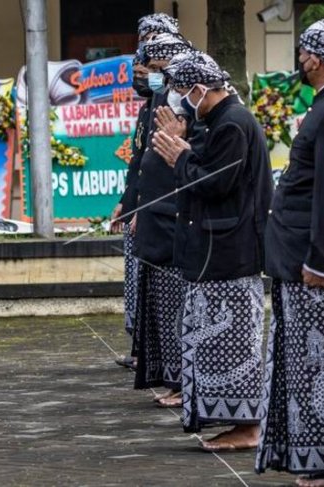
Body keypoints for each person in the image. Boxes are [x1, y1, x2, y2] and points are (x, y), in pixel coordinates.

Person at [256, 19, 324, 487]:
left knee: (319, 366)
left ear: (314, 58)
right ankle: (310, 457)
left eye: (303, 54)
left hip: (312, 265)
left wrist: (321, 260)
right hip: (297, 257)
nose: (299, 62)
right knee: (300, 362)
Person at [151, 52, 273, 451]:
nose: (182, 99)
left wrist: (181, 156)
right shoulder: (220, 122)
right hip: (216, 248)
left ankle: (247, 426)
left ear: (202, 89)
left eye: (185, 92)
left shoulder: (234, 125)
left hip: (230, 250)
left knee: (235, 343)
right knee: (213, 343)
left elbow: (216, 184)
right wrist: (186, 149)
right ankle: (230, 421)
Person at [112, 13, 180, 370]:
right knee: (140, 282)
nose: (145, 69)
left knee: (163, 289)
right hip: (144, 205)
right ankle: (145, 349)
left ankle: (156, 358)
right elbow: (140, 158)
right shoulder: (151, 103)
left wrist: (144, 206)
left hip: (164, 212)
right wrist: (128, 201)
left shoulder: (178, 103)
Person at [131, 33, 195, 406]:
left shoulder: (191, 109)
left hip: (175, 218)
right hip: (154, 213)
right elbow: (142, 157)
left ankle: (182, 381)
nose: (155, 78)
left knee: (177, 305)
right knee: (161, 303)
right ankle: (170, 378)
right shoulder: (158, 101)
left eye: (159, 70)